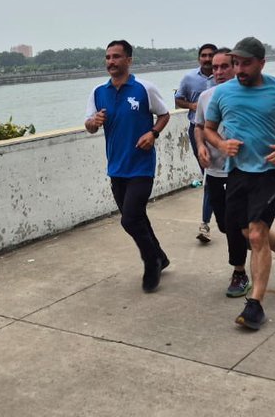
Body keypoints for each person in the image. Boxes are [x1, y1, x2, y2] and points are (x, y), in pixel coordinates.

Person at [204, 37, 275, 331]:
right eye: (236, 63)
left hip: (269, 171)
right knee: (244, 231)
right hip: (237, 172)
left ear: (262, 63)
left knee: (255, 235)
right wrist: (221, 144)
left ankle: (255, 305)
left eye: (245, 63)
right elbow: (208, 129)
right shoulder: (222, 93)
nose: (239, 68)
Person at [85, 40, 171, 292]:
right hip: (116, 168)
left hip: (141, 166)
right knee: (138, 217)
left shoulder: (144, 88)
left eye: (117, 57)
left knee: (130, 219)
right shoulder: (98, 92)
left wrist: (152, 134)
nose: (111, 62)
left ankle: (151, 262)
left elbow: (164, 114)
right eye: (108, 57)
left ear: (129, 60)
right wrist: (93, 121)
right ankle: (161, 256)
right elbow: (89, 126)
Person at [194, 48, 251, 297]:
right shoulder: (206, 96)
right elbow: (199, 127)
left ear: (236, 66)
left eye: (224, 66)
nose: (218, 72)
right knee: (228, 226)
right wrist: (200, 147)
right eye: (214, 68)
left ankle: (239, 273)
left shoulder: (248, 94)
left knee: (237, 223)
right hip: (215, 172)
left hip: (243, 170)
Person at [175, 43, 217, 243]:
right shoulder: (189, 78)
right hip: (198, 130)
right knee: (209, 177)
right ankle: (205, 224)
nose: (207, 59)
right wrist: (193, 105)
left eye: (211, 56)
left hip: (224, 132)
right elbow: (178, 100)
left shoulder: (226, 78)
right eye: (204, 55)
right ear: (199, 58)